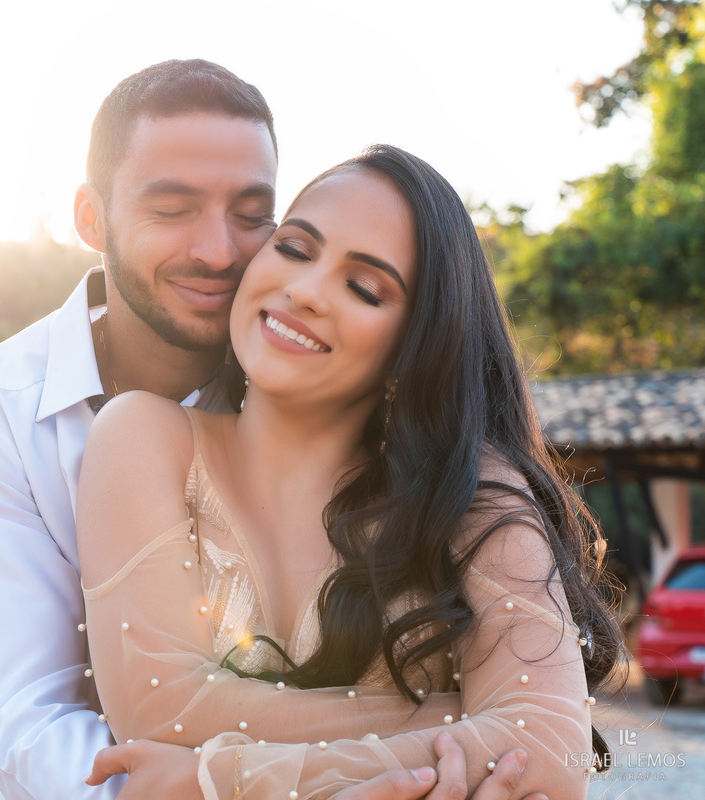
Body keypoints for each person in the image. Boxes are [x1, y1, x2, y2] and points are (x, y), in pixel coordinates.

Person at [0, 59, 553, 800]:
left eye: (253, 215)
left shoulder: (316, 368)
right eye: (172, 209)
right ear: (93, 219)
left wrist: (242, 773)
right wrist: (452, 726)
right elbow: (27, 725)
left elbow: (546, 741)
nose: (218, 251)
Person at [75, 145, 623, 798]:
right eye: (295, 249)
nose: (304, 292)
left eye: (364, 287)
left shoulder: (471, 490)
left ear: (415, 343)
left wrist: (216, 776)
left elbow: (547, 751)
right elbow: (161, 711)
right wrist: (463, 721)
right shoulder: (145, 437)